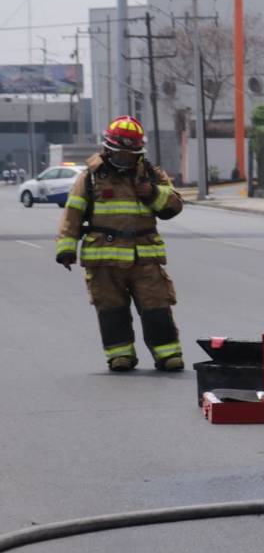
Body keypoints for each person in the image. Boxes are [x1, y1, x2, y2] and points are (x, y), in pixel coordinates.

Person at [55, 116, 185, 372]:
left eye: (130, 154)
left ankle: (167, 354)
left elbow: (174, 205)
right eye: (120, 154)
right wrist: (66, 249)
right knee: (111, 309)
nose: (124, 159)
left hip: (144, 258)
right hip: (103, 260)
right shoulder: (91, 178)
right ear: (108, 149)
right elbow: (73, 214)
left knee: (156, 306)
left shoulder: (150, 175)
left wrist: (153, 193)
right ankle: (120, 355)